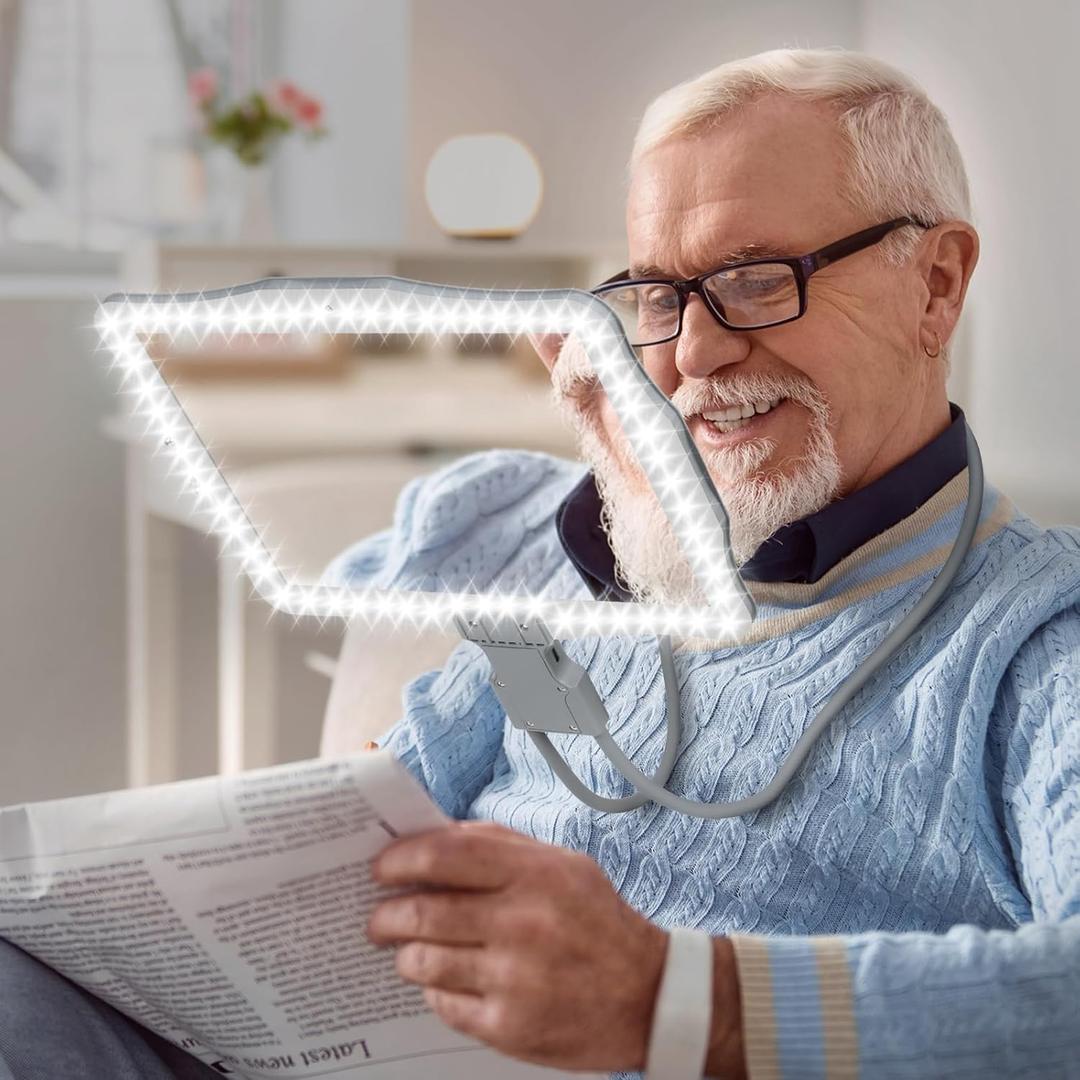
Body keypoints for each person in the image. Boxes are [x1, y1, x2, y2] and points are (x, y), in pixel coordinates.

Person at [2, 46, 1078, 1080]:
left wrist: (677, 1003)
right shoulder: (599, 562)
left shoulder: (1040, 638)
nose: (693, 355)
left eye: (756, 281)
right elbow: (368, 823)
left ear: (935, 285)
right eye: (659, 298)